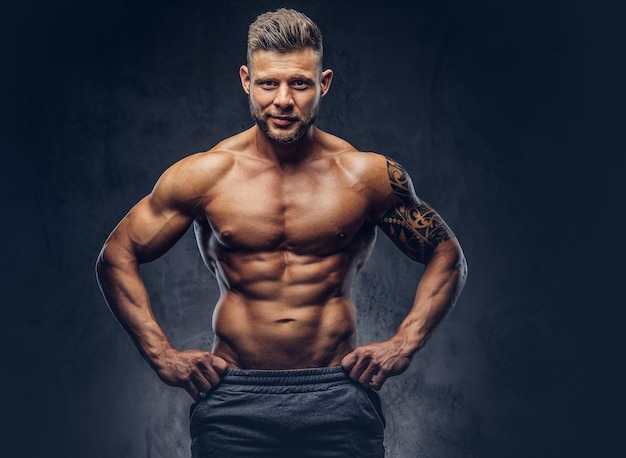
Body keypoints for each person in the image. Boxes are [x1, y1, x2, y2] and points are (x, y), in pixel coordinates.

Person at [96, 8, 467, 458]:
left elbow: (446, 255)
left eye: (300, 83)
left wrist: (404, 343)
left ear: (324, 83)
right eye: (269, 83)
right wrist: (162, 355)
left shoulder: (365, 176)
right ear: (246, 80)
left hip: (337, 396)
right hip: (234, 398)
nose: (284, 100)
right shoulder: (205, 175)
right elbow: (117, 255)